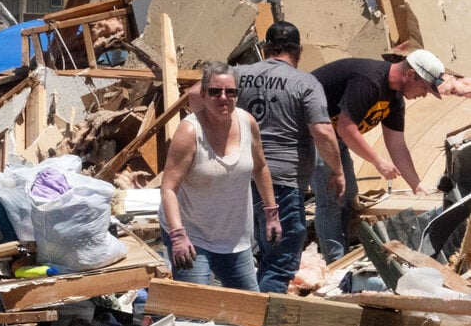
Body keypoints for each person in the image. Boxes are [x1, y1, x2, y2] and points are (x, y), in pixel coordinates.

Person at [236, 21, 345, 293]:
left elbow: (196, 95)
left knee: (251, 254)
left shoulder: (237, 76)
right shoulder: (305, 82)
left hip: (240, 178)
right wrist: (338, 170)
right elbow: (322, 130)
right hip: (283, 182)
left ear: (265, 47)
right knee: (280, 259)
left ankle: (244, 314)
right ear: (298, 51)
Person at [310, 48, 444, 262]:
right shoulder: (370, 80)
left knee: (349, 193)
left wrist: (417, 186)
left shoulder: (395, 99)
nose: (423, 94)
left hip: (333, 138)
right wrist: (378, 161)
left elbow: (397, 144)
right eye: (425, 87)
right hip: (309, 133)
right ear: (410, 75)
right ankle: (334, 262)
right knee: (332, 198)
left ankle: (339, 255)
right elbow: (346, 127)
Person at [158, 61, 282, 291]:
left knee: (249, 308)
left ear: (237, 94)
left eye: (230, 92)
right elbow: (168, 188)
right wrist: (177, 236)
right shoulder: (189, 132)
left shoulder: (247, 123)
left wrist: (271, 213)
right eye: (215, 92)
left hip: (234, 236)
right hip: (192, 233)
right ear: (203, 94)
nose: (223, 97)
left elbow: (260, 167)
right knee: (195, 313)